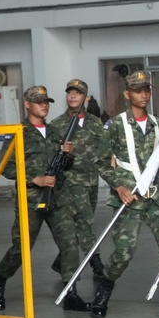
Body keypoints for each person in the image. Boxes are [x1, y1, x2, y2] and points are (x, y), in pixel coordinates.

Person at [0, 86, 90, 312]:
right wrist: (35, 179)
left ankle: (70, 292)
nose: (43, 105)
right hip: (31, 199)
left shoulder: (54, 132)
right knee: (21, 248)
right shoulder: (18, 132)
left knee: (70, 245)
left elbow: (66, 165)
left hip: (57, 197)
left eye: (46, 101)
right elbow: (7, 167)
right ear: (27, 104)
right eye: (38, 101)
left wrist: (68, 154)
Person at [91, 71, 159, 318]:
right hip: (128, 197)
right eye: (138, 90)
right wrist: (118, 186)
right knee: (123, 253)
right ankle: (104, 287)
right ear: (127, 93)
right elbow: (100, 162)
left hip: (154, 198)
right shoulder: (115, 125)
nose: (143, 94)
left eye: (147, 90)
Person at [49, 79, 105, 285]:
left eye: (77, 93)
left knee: (80, 223)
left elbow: (103, 147)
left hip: (91, 179)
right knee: (86, 222)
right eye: (70, 93)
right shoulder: (57, 125)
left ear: (85, 98)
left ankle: (62, 261)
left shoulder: (94, 122)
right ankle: (96, 264)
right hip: (71, 180)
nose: (72, 96)